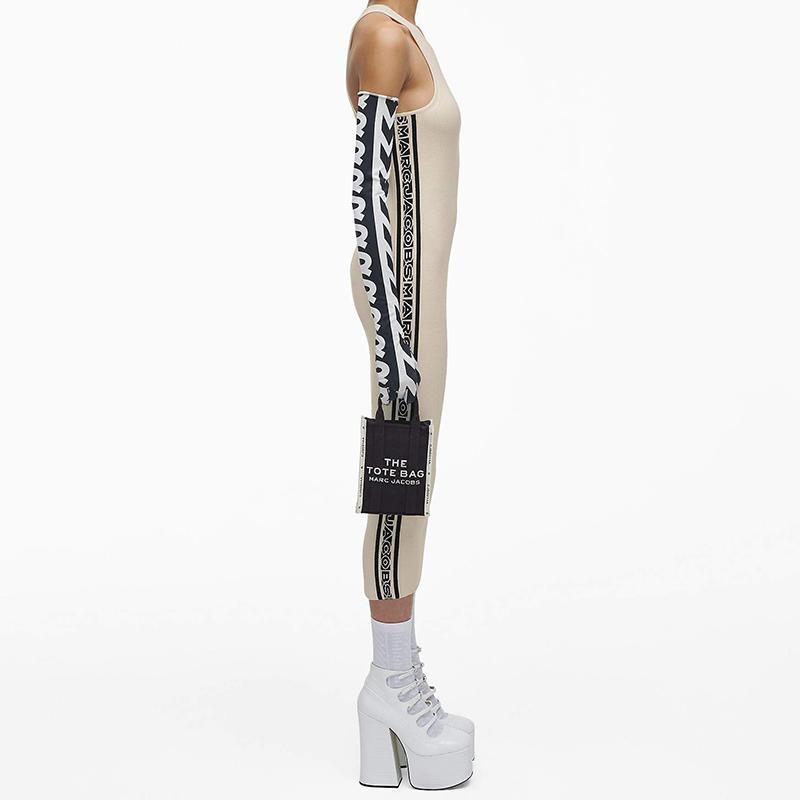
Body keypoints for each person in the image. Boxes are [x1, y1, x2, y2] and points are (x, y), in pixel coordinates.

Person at [346, 2, 473, 789]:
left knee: (415, 490)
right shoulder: (382, 35)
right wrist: (397, 348)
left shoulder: (407, 30)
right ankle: (388, 682)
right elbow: (367, 201)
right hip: (404, 310)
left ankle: (396, 678)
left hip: (423, 306)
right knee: (400, 489)